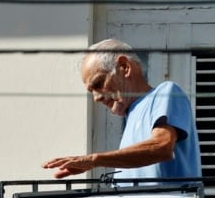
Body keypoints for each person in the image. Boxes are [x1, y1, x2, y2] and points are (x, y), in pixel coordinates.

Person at [45, 38, 201, 183]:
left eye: (98, 83)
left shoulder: (165, 93)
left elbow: (162, 147)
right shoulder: (131, 116)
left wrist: (94, 160)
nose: (96, 98)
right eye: (91, 91)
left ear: (124, 67)